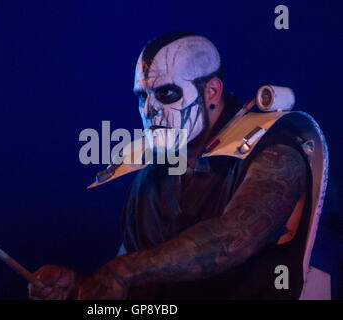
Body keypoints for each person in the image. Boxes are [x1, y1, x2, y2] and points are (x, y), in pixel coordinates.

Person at [28, 31, 327, 300]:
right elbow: (136, 278)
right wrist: (85, 289)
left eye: (166, 93)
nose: (149, 109)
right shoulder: (150, 172)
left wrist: (125, 270)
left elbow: (234, 238)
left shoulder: (273, 148)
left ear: (211, 91)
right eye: (142, 96)